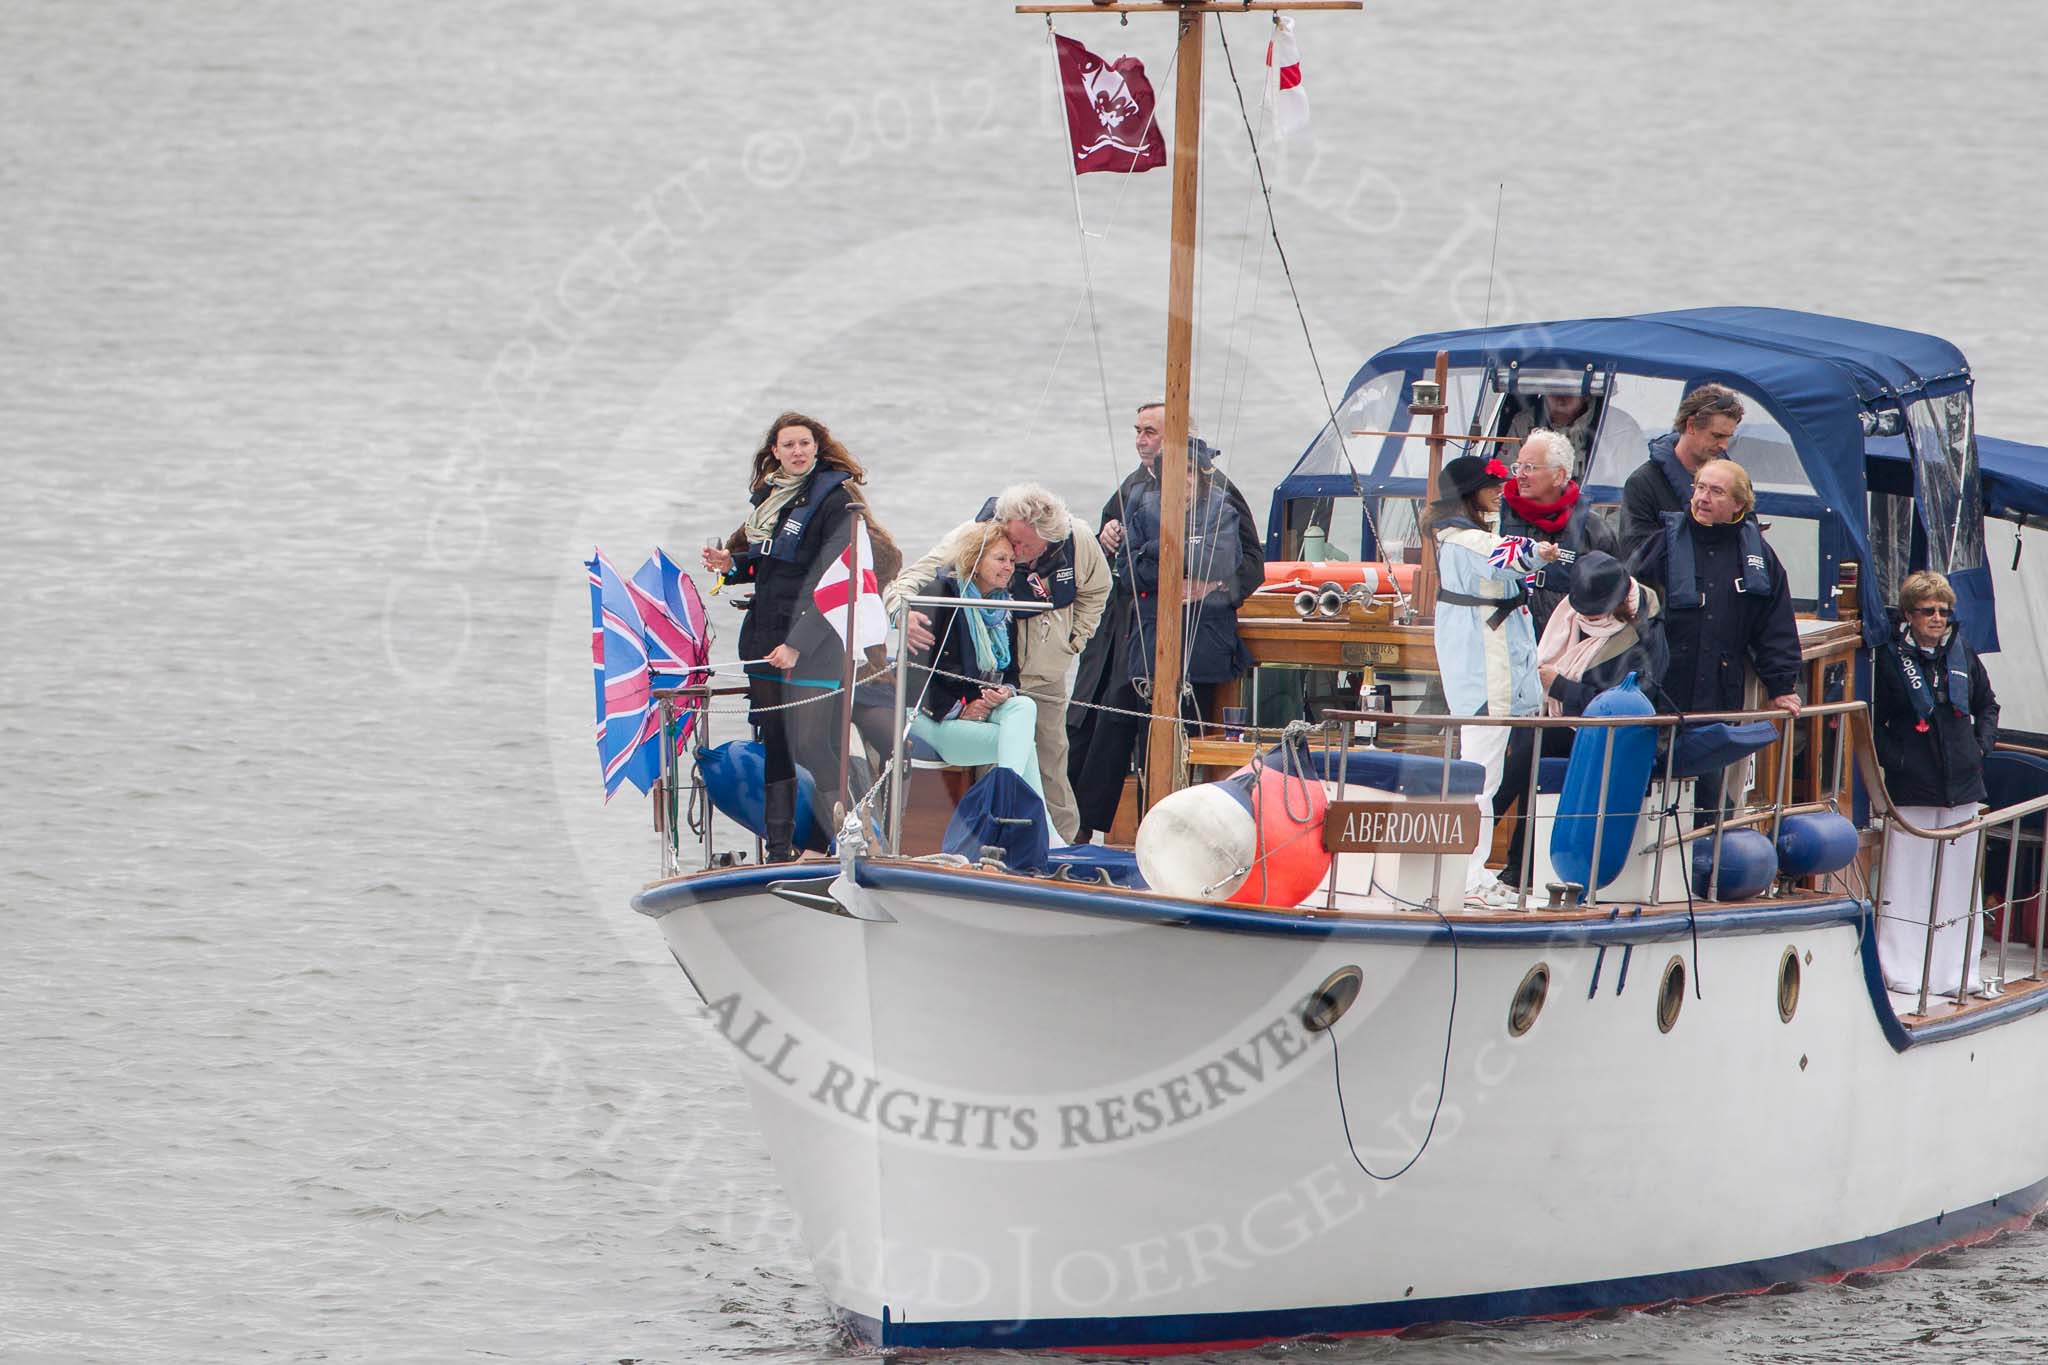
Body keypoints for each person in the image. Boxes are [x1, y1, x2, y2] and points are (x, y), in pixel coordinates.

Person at [701, 411, 901, 861]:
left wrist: (798, 644)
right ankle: (778, 849)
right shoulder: (771, 500)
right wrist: (729, 565)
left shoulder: (837, 501)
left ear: (817, 447)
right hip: (763, 636)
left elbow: (839, 580)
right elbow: (765, 563)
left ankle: (851, 842)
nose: (796, 452)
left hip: (817, 642)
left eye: (804, 444)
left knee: (812, 744)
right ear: (775, 451)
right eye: (788, 445)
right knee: (775, 741)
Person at [885, 484, 1110, 843]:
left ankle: (1062, 840)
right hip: (983, 679)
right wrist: (902, 613)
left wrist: (1075, 639)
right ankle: (998, 840)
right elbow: (911, 579)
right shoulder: (976, 537)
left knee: (1052, 757)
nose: (1017, 555)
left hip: (1042, 672)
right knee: (999, 754)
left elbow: (1097, 590)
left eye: (1027, 548)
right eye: (1011, 544)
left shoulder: (1078, 541)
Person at [1070, 402, 1264, 791]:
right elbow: (1105, 558)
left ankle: (1153, 816)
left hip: (1182, 630)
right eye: (1138, 431)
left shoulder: (1218, 489)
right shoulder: (1132, 485)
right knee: (1092, 728)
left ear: (1178, 437)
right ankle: (1080, 829)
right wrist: (1104, 539)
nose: (1141, 441)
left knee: (1163, 734)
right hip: (1124, 625)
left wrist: (1212, 587)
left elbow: (1252, 563)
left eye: (1151, 432)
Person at [1628, 456, 1802, 825]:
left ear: (1739, 504)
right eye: (1700, 488)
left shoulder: (1759, 558)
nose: (1703, 498)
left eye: (1715, 491)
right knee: (1649, 782)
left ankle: (1708, 867)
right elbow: (1625, 606)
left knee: (1709, 786)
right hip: (1659, 686)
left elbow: (1775, 625)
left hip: (1719, 691)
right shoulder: (1661, 547)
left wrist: (1782, 685)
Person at [1489, 551, 1668, 898]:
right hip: (1563, 724)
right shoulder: (1571, 615)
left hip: (1608, 738)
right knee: (1528, 742)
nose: (1584, 614)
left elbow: (1626, 706)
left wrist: (1558, 687)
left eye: (1593, 609)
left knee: (1532, 747)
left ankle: (1504, 858)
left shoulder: (1645, 636)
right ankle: (1507, 860)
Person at [1423, 454, 1558, 905]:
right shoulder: (1466, 541)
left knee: (1483, 776)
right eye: (1491, 485)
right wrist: (1538, 552)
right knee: (1480, 779)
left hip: (1489, 669)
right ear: (1469, 492)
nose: (1499, 491)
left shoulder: (1461, 536)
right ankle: (1468, 877)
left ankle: (1469, 871)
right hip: (1485, 673)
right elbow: (1505, 558)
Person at [1872, 571, 1999, 1000]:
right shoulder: (1888, 659)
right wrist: (1899, 760)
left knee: (1961, 885)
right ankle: (1901, 966)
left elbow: (1987, 705)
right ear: (1909, 615)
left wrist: (1980, 748)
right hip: (1913, 787)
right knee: (1905, 880)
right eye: (1928, 611)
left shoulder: (1962, 652)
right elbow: (1872, 722)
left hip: (1963, 786)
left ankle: (1958, 972)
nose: (1938, 618)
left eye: (1944, 611)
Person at [906, 524, 1045, 795]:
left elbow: (1012, 673)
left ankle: (1016, 814)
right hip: (934, 716)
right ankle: (1031, 825)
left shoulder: (1004, 607)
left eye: (1012, 561)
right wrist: (961, 708)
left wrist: (1004, 692)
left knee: (1023, 705)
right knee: (1022, 744)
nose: (1008, 567)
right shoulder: (940, 595)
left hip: (982, 706)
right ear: (975, 559)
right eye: (1000, 559)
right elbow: (916, 675)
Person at [1498, 427, 1620, 640]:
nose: (1520, 475)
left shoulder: (1592, 528)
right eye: (1518, 466)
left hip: (1565, 644)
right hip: (1506, 639)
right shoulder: (1497, 518)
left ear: (1558, 475)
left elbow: (1613, 596)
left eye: (1530, 467)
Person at [1619, 384, 1745, 547]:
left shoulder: (1735, 480)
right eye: (1717, 435)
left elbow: (1750, 542)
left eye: (1729, 437)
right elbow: (1635, 556)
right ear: (1691, 425)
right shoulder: (1643, 484)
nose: (1724, 445)